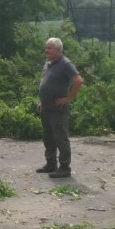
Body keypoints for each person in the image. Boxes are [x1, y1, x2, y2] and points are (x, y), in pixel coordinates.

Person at [35, 37, 83, 178]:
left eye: (49, 48)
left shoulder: (65, 64)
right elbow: (46, 84)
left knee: (60, 138)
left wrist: (69, 98)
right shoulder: (49, 63)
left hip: (58, 109)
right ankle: (51, 164)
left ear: (58, 50)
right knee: (48, 137)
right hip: (46, 107)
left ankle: (64, 167)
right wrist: (41, 102)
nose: (46, 50)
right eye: (46, 47)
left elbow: (78, 81)